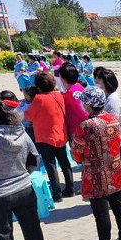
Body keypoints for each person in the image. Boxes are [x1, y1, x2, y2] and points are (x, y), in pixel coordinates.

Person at [71, 86, 121, 240]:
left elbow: (76, 153)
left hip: (95, 175)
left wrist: (83, 158)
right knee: (118, 206)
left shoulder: (85, 126)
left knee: (101, 213)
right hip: (115, 168)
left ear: (89, 105)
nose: (82, 104)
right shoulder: (113, 119)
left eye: (84, 102)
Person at [0, 99, 45, 240]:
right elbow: (35, 158)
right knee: (32, 227)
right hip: (24, 188)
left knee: (3, 234)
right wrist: (24, 174)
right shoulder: (21, 132)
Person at [24, 72, 74, 202]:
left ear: (38, 87)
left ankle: (57, 194)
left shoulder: (39, 99)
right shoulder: (58, 95)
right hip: (60, 134)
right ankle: (70, 189)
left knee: (51, 165)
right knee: (64, 163)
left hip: (45, 137)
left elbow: (28, 116)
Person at [94, 68, 121, 200]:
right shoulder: (109, 97)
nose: (97, 83)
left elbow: (113, 123)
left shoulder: (113, 100)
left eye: (99, 81)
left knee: (119, 167)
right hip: (117, 138)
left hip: (117, 139)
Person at [60, 63, 87, 139]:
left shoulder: (72, 92)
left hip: (77, 130)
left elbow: (82, 112)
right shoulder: (78, 86)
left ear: (64, 79)